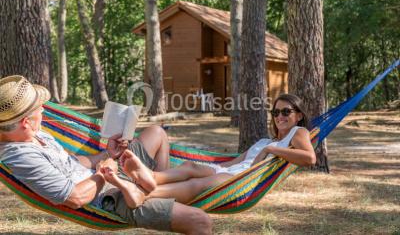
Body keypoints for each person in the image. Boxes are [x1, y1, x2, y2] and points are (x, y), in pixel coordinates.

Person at [0, 75, 212, 235]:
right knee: (200, 220)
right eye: (39, 108)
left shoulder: (37, 134)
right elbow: (75, 198)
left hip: (106, 173)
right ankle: (163, 195)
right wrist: (106, 171)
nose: (44, 111)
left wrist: (107, 153)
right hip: (109, 195)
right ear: (25, 122)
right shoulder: (21, 156)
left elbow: (73, 163)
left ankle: (163, 195)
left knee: (157, 133)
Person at [101, 93, 317, 205]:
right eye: (276, 112)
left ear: (298, 115)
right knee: (189, 166)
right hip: (232, 170)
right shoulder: (265, 141)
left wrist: (273, 150)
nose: (280, 117)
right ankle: (149, 176)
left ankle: (143, 194)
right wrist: (214, 166)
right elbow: (236, 161)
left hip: (242, 179)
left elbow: (309, 158)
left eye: (286, 112)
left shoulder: (298, 132)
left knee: (198, 184)